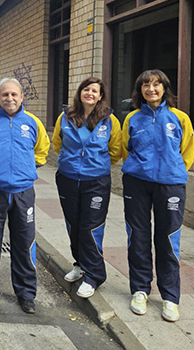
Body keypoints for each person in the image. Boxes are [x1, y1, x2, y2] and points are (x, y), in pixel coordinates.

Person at [0, 78, 50, 314]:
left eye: (14, 94)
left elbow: (41, 151)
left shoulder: (33, 122)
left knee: (24, 243)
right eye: (5, 94)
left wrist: (24, 170)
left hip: (23, 192)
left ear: (22, 97)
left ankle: (26, 294)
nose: (10, 99)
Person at [121, 69, 194, 322]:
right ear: (139, 90)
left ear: (164, 88)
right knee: (138, 236)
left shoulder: (180, 118)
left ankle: (170, 298)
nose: (151, 89)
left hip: (170, 185)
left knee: (168, 240)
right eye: (145, 85)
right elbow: (124, 147)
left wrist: (172, 171)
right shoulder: (131, 118)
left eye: (156, 84)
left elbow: (187, 152)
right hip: (136, 184)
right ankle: (140, 289)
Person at [51, 77, 122, 300]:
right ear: (80, 92)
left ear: (101, 96)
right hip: (68, 178)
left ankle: (94, 276)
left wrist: (95, 166)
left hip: (96, 181)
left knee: (91, 227)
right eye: (86, 89)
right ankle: (80, 265)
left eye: (95, 91)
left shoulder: (110, 120)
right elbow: (57, 143)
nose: (90, 93)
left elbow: (115, 150)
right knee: (73, 224)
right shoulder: (65, 116)